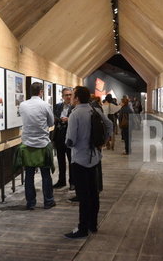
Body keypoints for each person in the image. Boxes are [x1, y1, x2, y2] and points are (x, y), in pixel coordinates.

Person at [64, 86, 113, 239]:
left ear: (77, 98)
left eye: (73, 96)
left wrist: (67, 144)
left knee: (83, 195)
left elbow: (71, 139)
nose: (71, 98)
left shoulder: (75, 114)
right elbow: (109, 125)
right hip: (94, 157)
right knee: (94, 193)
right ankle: (93, 224)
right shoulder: (95, 110)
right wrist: (103, 142)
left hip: (79, 159)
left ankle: (82, 228)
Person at [18, 82, 56, 210]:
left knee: (29, 175)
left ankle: (30, 203)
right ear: (41, 92)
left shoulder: (22, 105)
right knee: (46, 174)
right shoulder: (45, 105)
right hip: (43, 143)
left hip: (27, 144)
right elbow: (51, 123)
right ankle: (48, 201)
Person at [53, 88, 74, 189]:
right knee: (60, 161)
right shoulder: (57, 106)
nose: (68, 97)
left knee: (71, 160)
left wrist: (69, 119)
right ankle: (61, 181)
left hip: (70, 136)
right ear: (62, 96)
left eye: (70, 94)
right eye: (66, 95)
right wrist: (57, 119)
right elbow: (53, 117)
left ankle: (73, 182)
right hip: (59, 136)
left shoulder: (75, 107)